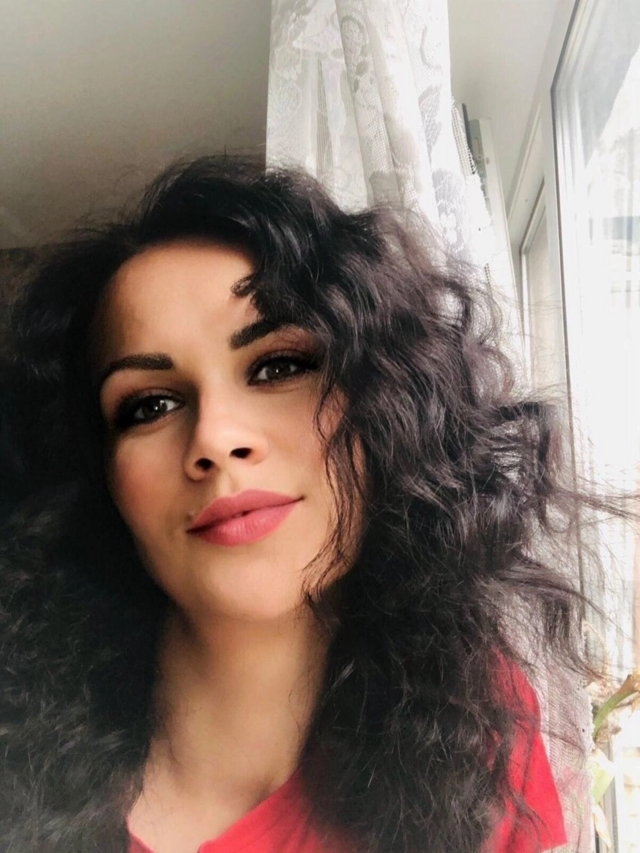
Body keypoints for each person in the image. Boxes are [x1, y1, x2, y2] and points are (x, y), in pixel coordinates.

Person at [0, 157, 587, 853]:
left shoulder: (479, 716)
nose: (216, 439)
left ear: (384, 405)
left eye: (279, 366)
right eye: (148, 406)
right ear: (100, 478)